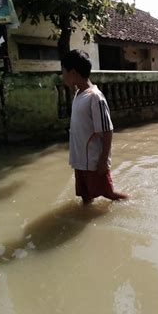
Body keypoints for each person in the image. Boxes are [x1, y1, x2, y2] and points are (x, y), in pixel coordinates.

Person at [61, 50, 128, 204]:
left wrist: (103, 160)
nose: (63, 76)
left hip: (93, 160)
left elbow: (107, 131)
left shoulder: (95, 97)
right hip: (80, 160)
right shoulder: (78, 94)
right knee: (85, 195)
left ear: (73, 72)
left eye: (63, 72)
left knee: (109, 194)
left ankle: (132, 201)